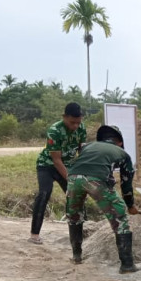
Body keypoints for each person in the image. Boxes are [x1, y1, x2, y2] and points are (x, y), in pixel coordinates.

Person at [66, 124, 141, 273]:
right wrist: (130, 205)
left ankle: (77, 256)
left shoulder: (88, 146)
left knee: (74, 216)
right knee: (120, 218)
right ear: (119, 142)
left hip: (73, 179)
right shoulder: (123, 153)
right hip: (96, 181)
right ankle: (127, 264)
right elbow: (126, 185)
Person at [29, 102, 87, 244]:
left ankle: (79, 233)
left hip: (68, 165)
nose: (75, 126)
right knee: (44, 193)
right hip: (47, 166)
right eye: (72, 122)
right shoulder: (54, 130)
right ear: (64, 117)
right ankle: (34, 235)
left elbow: (82, 151)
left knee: (76, 196)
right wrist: (70, 179)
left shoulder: (81, 128)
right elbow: (56, 160)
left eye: (78, 123)